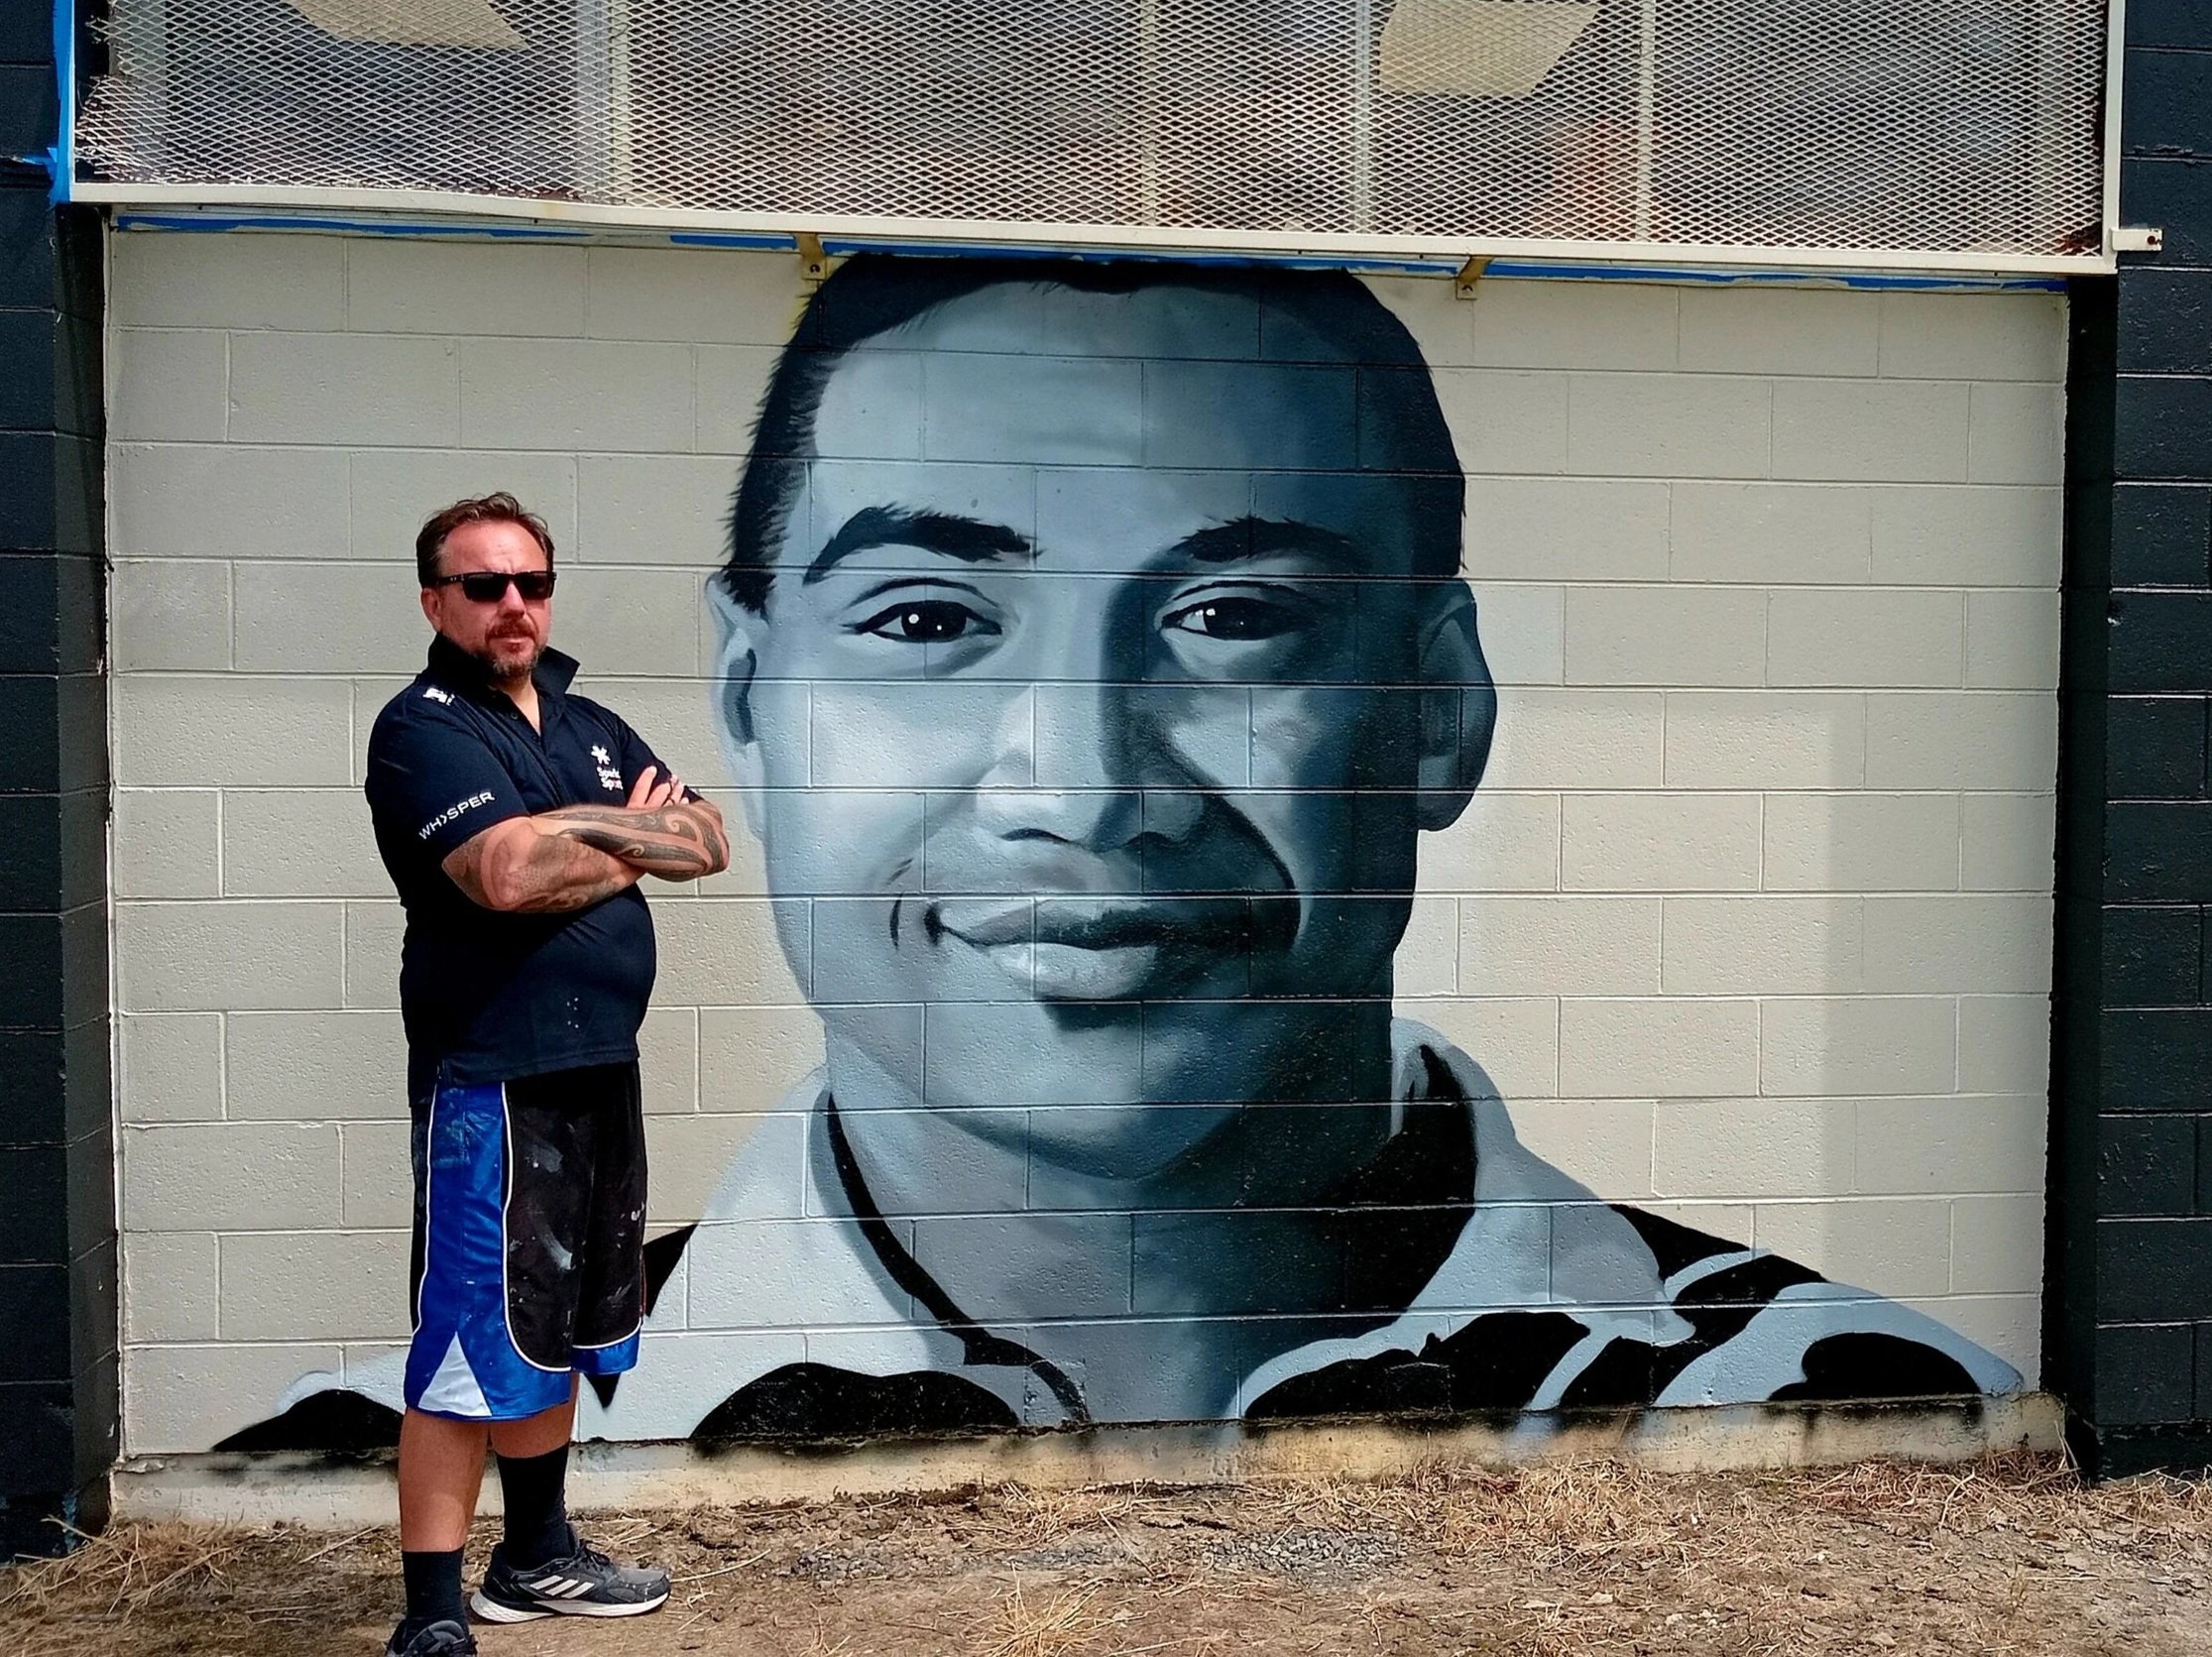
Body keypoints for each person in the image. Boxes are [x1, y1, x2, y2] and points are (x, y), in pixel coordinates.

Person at [581, 255, 2021, 1440]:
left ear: (1439, 709)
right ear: (746, 704)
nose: (1080, 790)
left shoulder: (1867, 1405)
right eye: (923, 619)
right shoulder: (476, 1423)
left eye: (1230, 618)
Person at [358, 494, 731, 1657]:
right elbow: (506, 877)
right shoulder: (423, 730)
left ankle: (535, 1559)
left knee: (557, 1329)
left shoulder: (590, 720)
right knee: (466, 1345)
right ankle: (429, 1612)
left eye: (529, 582)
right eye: (482, 586)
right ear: (435, 601)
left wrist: (584, 837)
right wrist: (625, 838)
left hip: (596, 1073)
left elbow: (708, 840)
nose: (511, 604)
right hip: (496, 1085)